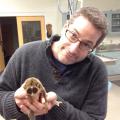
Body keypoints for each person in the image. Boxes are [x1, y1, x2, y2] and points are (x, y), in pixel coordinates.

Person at [0, 6, 108, 120]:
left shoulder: (97, 70)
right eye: (73, 35)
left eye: (86, 44)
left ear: (94, 47)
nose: (73, 49)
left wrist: (58, 106)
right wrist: (15, 103)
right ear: (65, 26)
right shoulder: (24, 54)